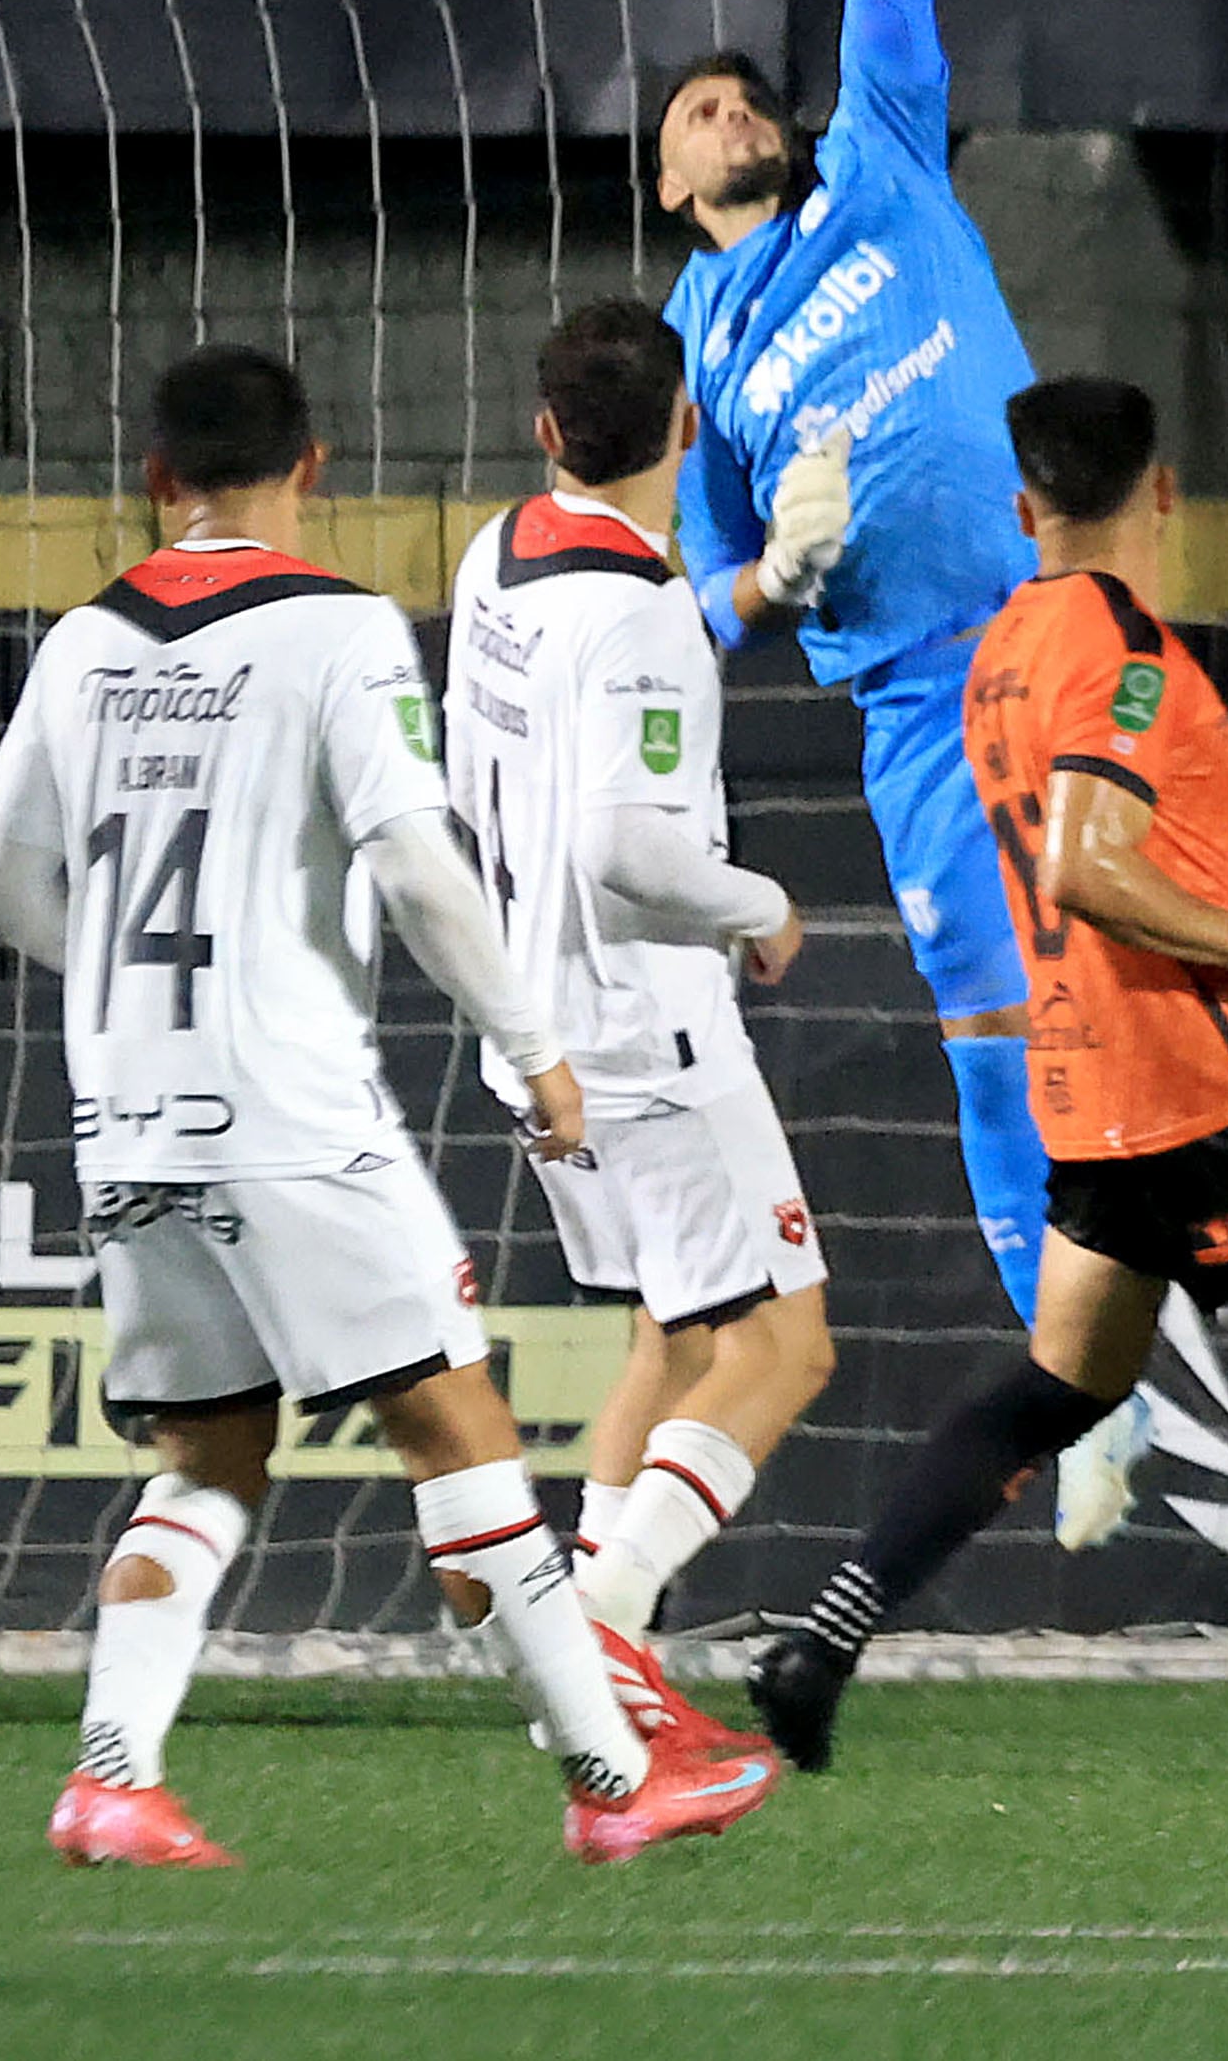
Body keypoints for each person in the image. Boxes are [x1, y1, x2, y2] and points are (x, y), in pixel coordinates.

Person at [666, 0, 1228, 1547]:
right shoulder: (699, 341)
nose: (730, 104)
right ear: (669, 177)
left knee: (1216, 934)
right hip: (915, 706)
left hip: (1057, 629)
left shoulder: (880, 164)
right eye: (697, 106)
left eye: (745, 88)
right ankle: (1089, 1408)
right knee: (999, 1033)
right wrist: (767, 571)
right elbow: (685, 610)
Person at [0, 344, 778, 1870]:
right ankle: (615, 1782)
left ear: (156, 479)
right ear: (314, 466)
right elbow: (413, 867)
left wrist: (135, 996)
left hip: (126, 1106)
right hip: (287, 1102)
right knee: (453, 1416)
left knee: (208, 1453)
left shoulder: (83, 640)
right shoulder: (335, 628)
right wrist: (529, 1039)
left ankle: (109, 1774)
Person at [742, 379, 1228, 1777]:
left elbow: (1081, 819)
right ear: (1166, 492)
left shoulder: (1006, 642)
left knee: (1064, 1378)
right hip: (1208, 1073)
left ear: (1024, 511)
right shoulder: (1131, 651)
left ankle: (820, 1640)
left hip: (1083, 1081)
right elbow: (1083, 859)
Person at [444, 298, 833, 1648]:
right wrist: (758, 902)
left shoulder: (492, 555)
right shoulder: (650, 613)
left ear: (546, 431)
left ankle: (604, 1631)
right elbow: (624, 846)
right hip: (642, 1037)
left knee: (669, 1340)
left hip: (532, 1028)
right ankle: (597, 1637)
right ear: (686, 426)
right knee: (784, 1348)